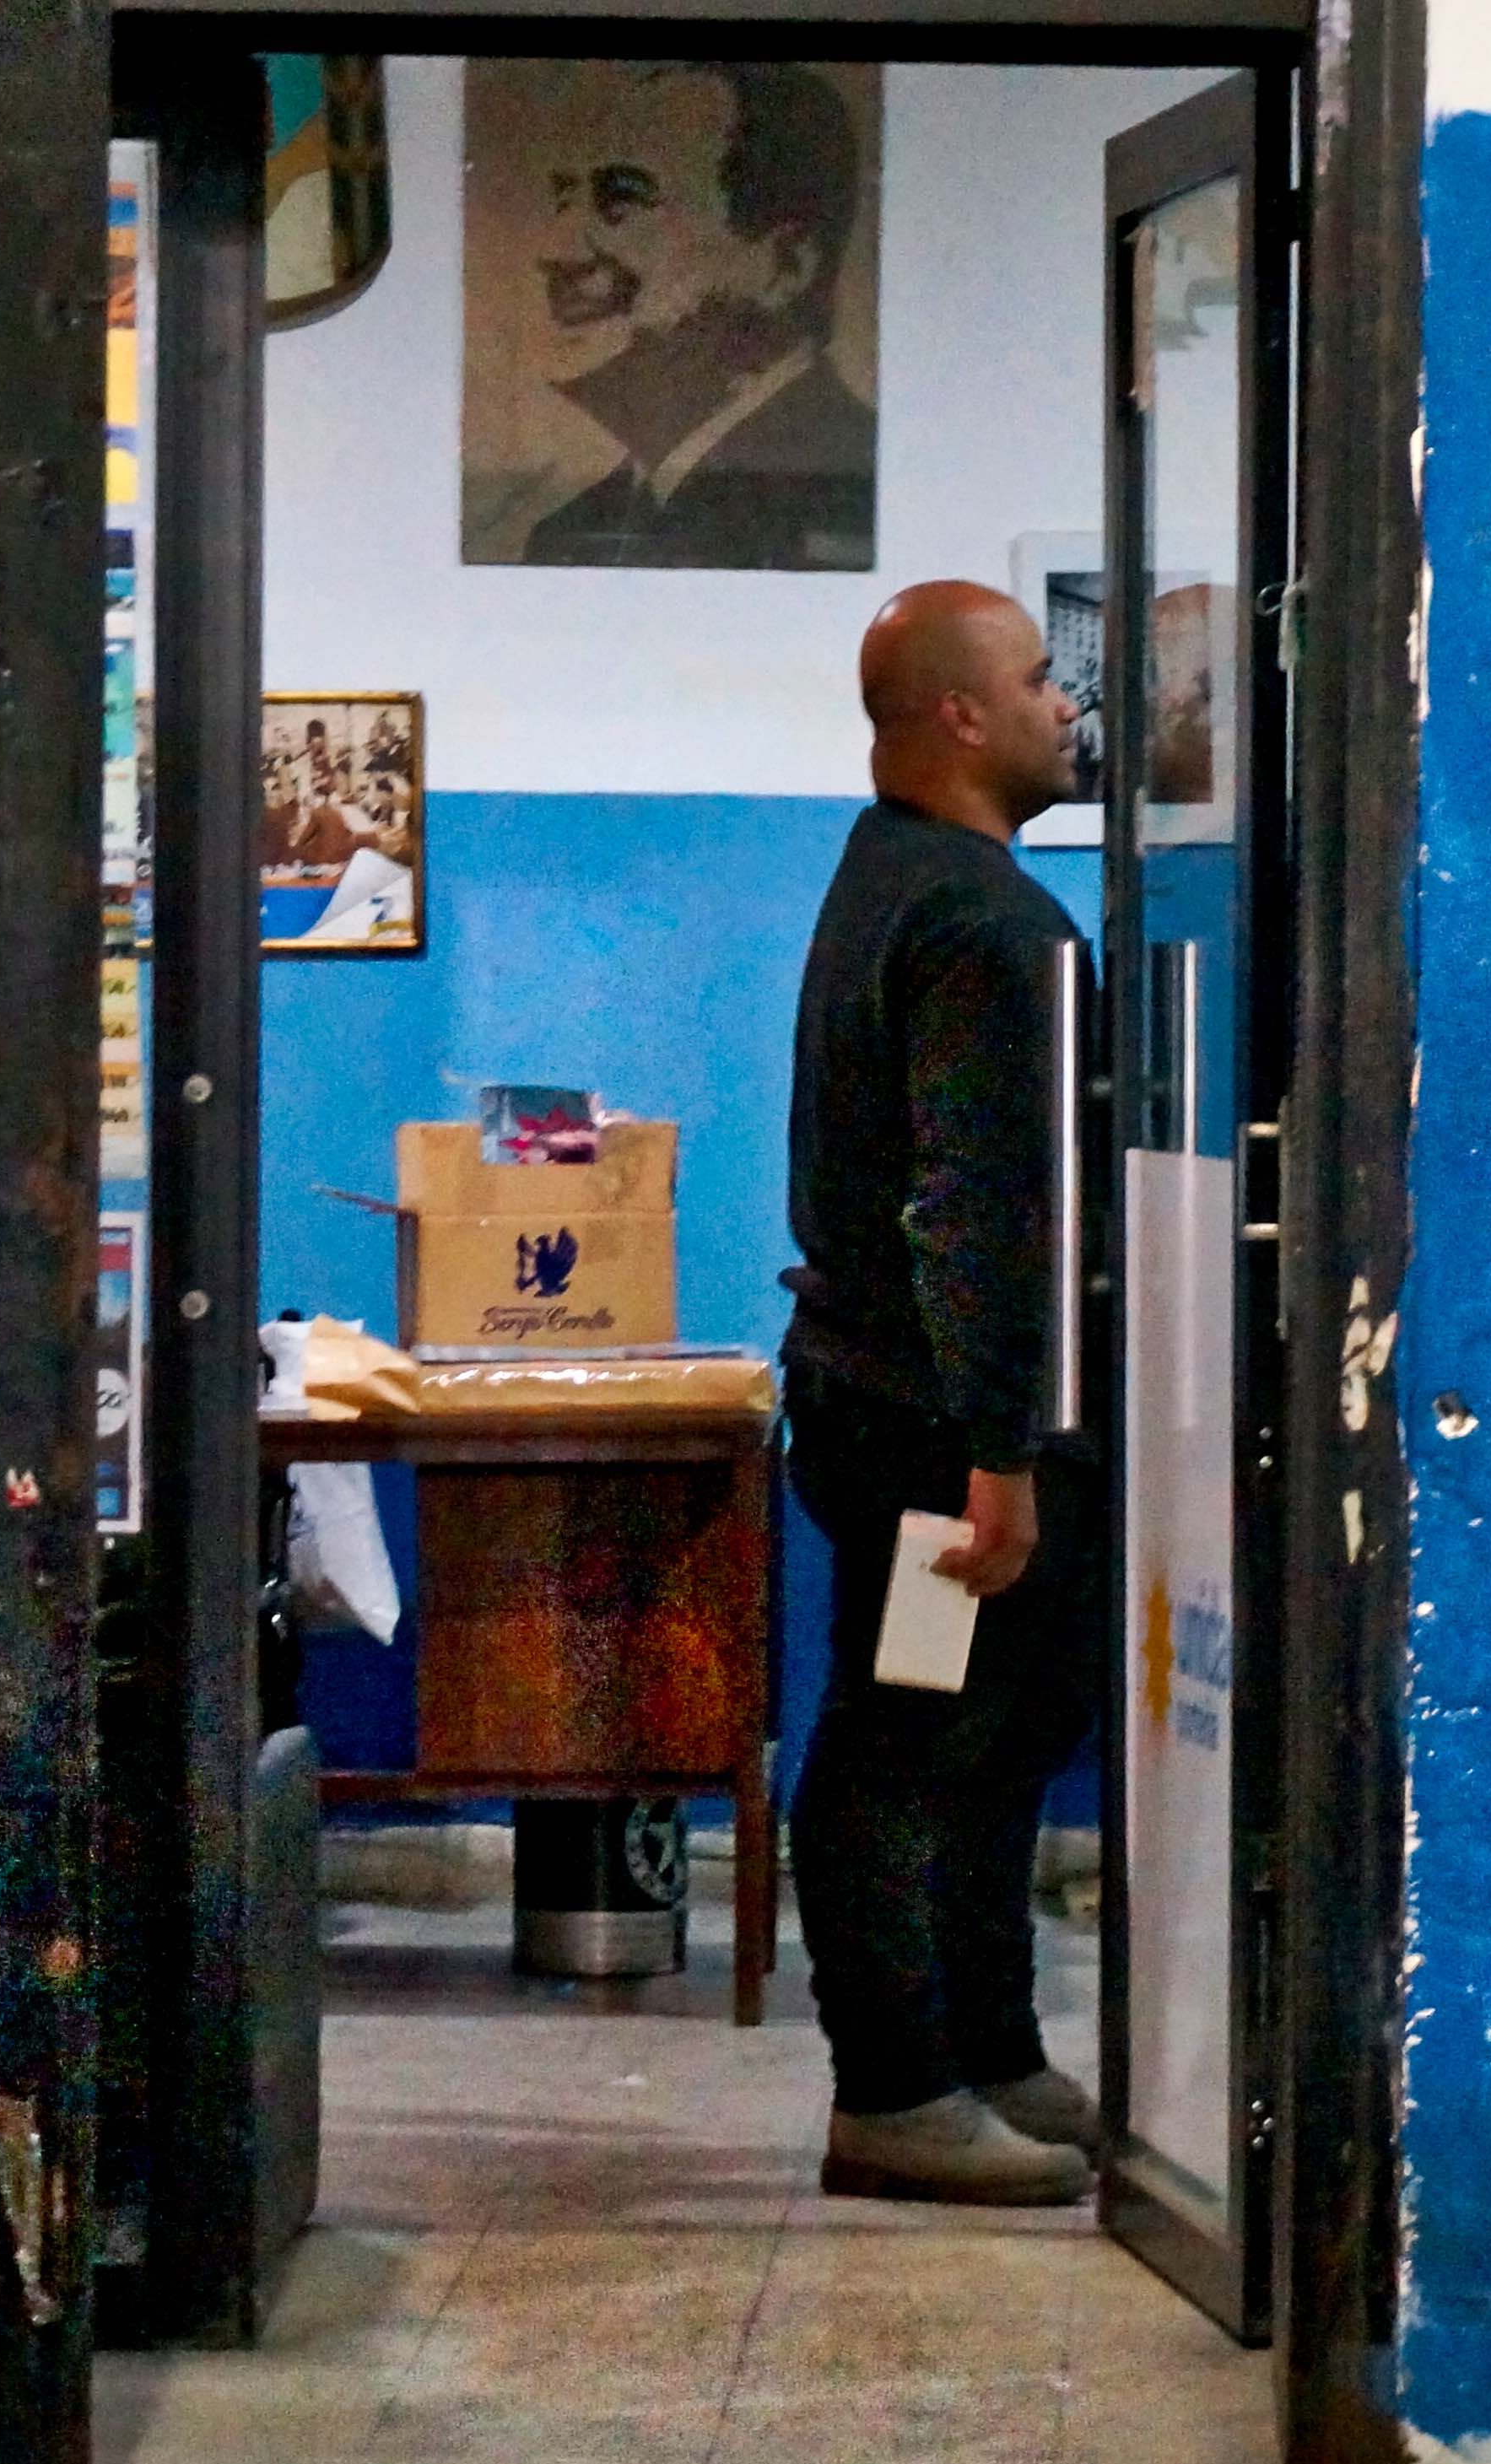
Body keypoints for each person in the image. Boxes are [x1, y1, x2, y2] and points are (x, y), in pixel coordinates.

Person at [781, 580, 1101, 2206]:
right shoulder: (981, 922)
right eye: (1041, 679)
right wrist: (1001, 1448)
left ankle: (990, 2046)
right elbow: (973, 1207)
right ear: (964, 714)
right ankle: (896, 2090)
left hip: (888, 1397)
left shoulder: (891, 875)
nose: (1069, 704)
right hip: (930, 1427)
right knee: (905, 1737)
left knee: (996, 1731)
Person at [516, 61, 873, 573]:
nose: (553, 252)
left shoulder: (861, 508)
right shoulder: (565, 536)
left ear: (784, 265)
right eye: (563, 200)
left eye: (621, 202)